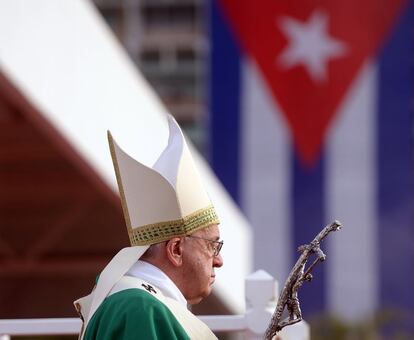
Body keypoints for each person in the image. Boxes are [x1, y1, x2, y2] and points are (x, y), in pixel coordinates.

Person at [74, 115, 224, 339]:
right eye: (213, 246)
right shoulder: (141, 309)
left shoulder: (142, 303)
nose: (219, 261)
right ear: (176, 249)